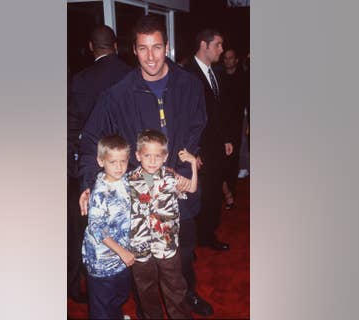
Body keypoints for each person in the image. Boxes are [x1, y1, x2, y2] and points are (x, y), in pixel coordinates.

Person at [78, 15, 214, 317]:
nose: (150, 57)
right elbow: (89, 138)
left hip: (178, 193)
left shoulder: (189, 85)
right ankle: (145, 312)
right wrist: (89, 182)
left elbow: (197, 123)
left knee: (183, 256)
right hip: (136, 200)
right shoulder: (117, 94)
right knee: (144, 273)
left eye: (156, 47)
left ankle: (187, 296)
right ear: (134, 50)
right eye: (143, 49)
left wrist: (188, 156)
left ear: (167, 47)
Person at [67, 24, 131, 303]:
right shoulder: (130, 74)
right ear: (115, 46)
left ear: (92, 47)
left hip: (89, 165)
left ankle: (76, 286)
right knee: (122, 222)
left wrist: (76, 170)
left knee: (83, 228)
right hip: (123, 164)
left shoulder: (79, 79)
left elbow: (71, 127)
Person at [127, 129, 197, 319]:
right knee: (145, 290)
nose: (152, 160)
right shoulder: (128, 181)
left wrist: (192, 164)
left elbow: (191, 187)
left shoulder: (171, 177)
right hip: (139, 247)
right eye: (147, 155)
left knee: (175, 287)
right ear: (137, 155)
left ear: (165, 157)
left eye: (157, 156)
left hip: (167, 244)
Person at [183, 29, 232, 251]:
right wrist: (195, 152)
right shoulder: (187, 74)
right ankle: (199, 238)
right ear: (204, 45)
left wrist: (227, 138)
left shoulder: (216, 72)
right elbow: (185, 117)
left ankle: (207, 234)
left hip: (216, 146)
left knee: (212, 193)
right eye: (218, 45)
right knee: (200, 195)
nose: (221, 50)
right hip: (200, 149)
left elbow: (218, 111)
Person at [82, 135, 135, 319]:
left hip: (121, 259)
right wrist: (122, 251)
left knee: (119, 297)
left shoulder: (126, 179)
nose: (119, 167)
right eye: (113, 162)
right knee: (102, 307)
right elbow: (96, 227)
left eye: (123, 161)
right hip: (102, 262)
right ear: (100, 161)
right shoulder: (99, 192)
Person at [219, 48, 249, 210]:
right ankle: (225, 191)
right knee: (222, 159)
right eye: (226, 58)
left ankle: (231, 191)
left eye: (231, 58)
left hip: (237, 124)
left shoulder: (243, 78)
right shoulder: (219, 77)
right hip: (222, 124)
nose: (228, 61)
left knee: (233, 159)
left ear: (236, 60)